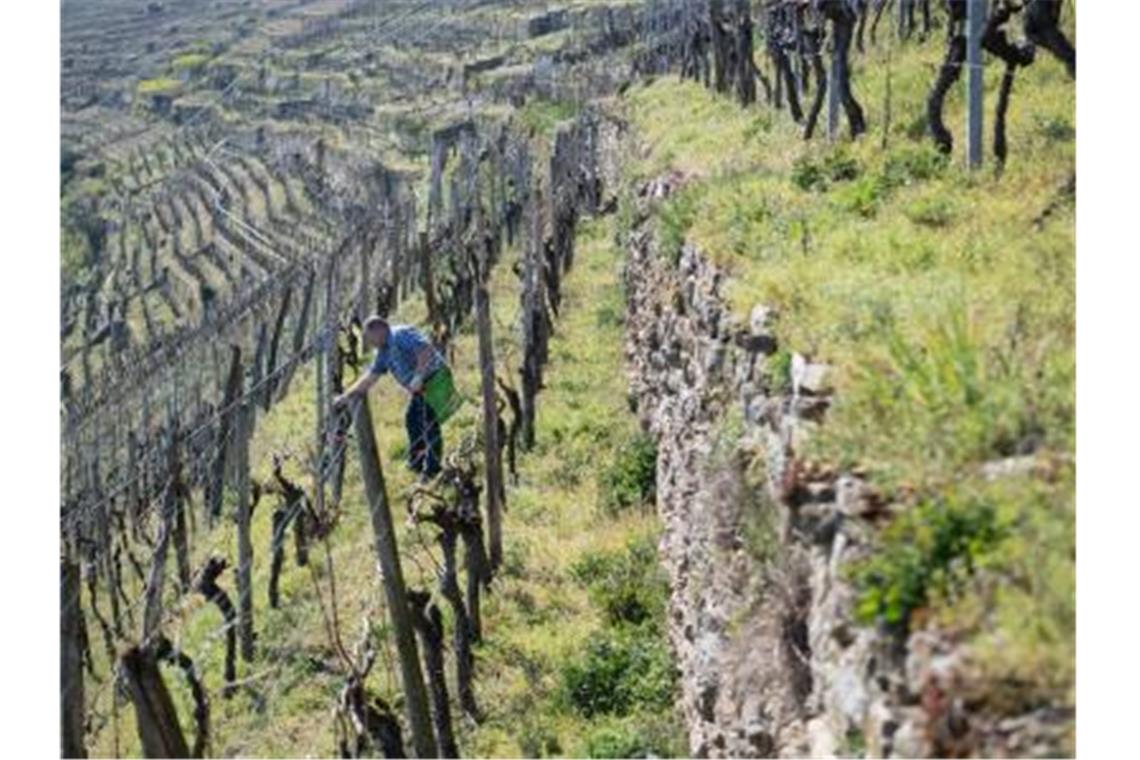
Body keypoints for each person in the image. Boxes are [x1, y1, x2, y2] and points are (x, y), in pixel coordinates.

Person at [334, 316, 460, 480]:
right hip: (420, 388)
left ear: (379, 331)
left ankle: (432, 469)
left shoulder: (400, 335)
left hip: (433, 379)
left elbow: (425, 350)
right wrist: (345, 397)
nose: (369, 343)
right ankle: (417, 461)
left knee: (429, 423)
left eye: (370, 338)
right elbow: (371, 377)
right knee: (413, 421)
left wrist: (419, 376)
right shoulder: (383, 351)